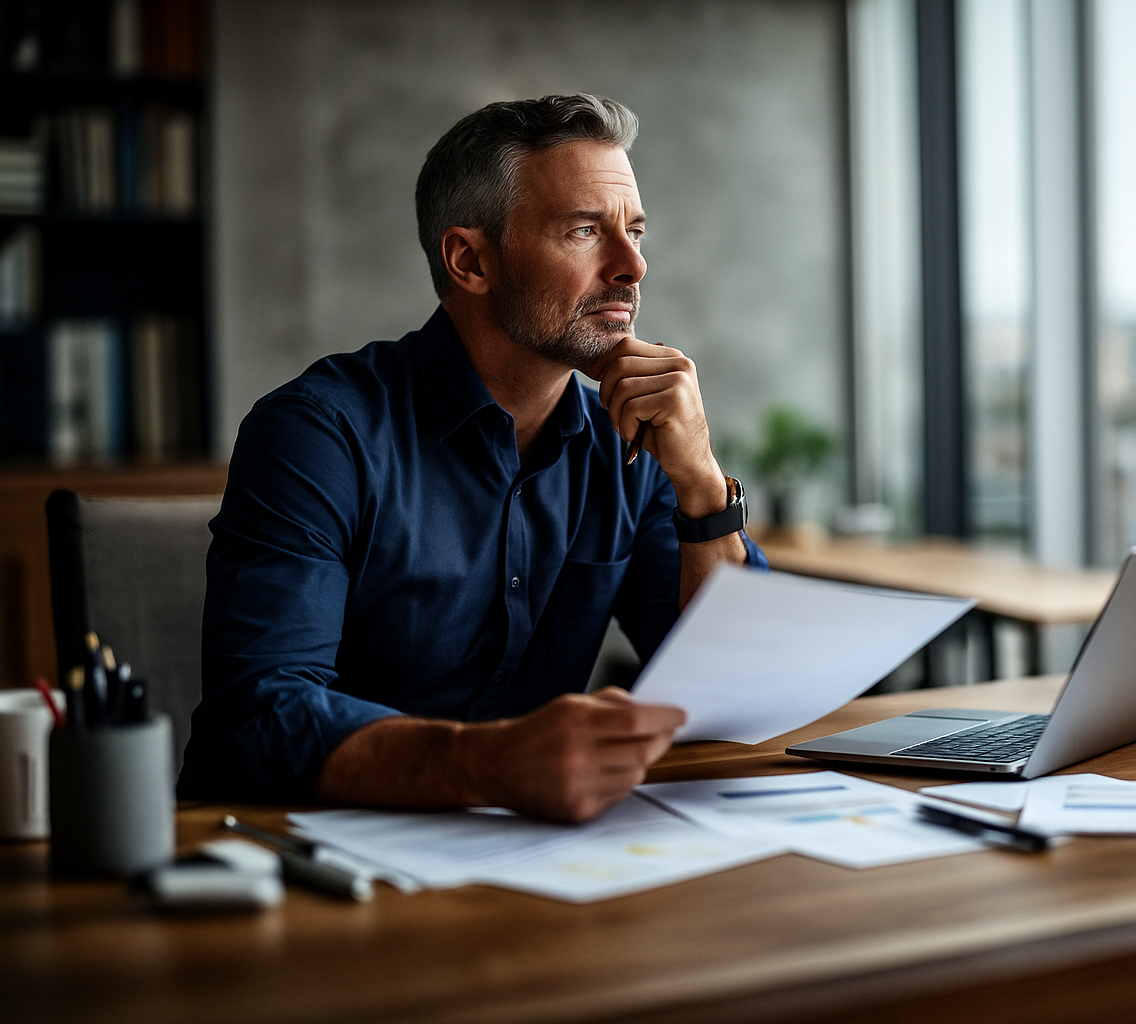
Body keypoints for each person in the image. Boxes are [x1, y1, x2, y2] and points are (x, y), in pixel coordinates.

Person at [179, 94, 764, 822]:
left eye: (636, 231)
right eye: (586, 230)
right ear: (471, 261)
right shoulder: (317, 434)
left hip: (529, 854)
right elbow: (256, 720)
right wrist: (495, 764)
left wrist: (703, 483)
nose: (633, 265)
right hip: (306, 857)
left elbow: (740, 695)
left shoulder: (633, 446)